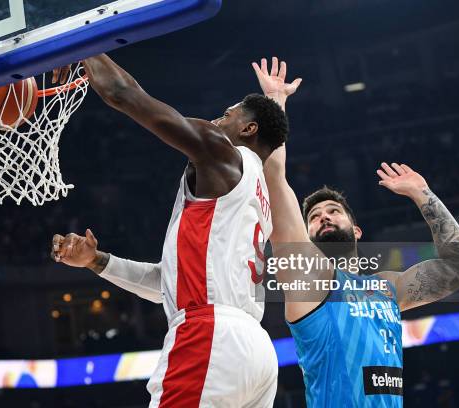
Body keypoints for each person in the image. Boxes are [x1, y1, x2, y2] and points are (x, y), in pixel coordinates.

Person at [50, 54, 299, 407]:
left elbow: (123, 93)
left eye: (227, 115)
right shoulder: (260, 199)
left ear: (248, 129)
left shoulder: (223, 155)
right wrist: (97, 261)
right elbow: (169, 286)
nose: (216, 119)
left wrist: (82, 48)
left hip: (210, 336)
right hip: (256, 352)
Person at [259, 58, 459, 406]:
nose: (325, 217)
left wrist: (423, 194)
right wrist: (276, 103)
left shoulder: (387, 287)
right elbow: (275, 181)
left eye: (333, 211)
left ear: (357, 231)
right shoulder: (309, 280)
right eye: (315, 216)